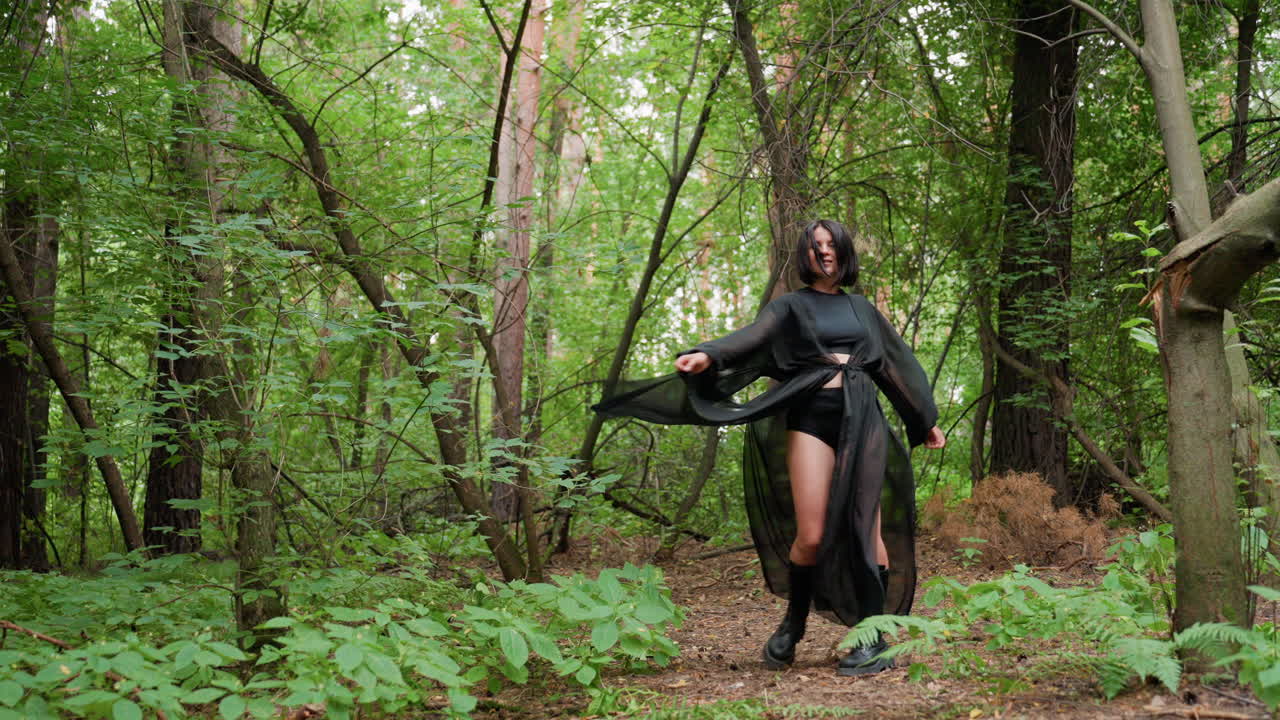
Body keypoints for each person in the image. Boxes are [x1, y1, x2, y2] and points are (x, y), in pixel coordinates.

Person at [593, 219, 944, 676]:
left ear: (844, 252)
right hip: (810, 418)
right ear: (806, 254)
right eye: (817, 246)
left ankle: (874, 638)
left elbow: (895, 366)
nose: (826, 252)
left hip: (864, 420)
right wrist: (709, 355)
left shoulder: (863, 309)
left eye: (833, 245)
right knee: (812, 535)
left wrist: (924, 420)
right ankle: (793, 624)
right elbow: (750, 338)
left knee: (867, 531)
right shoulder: (791, 307)